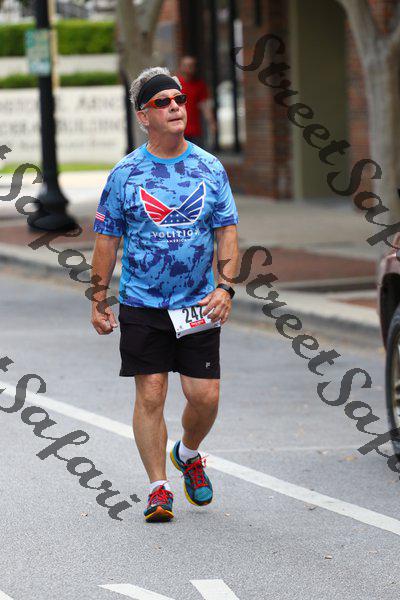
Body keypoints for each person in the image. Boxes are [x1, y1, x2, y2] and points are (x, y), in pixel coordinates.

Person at [91, 66, 239, 523]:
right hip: (143, 303)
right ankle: (159, 488)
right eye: (163, 102)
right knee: (151, 393)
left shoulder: (209, 167)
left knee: (205, 397)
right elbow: (107, 240)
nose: (175, 107)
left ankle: (187, 453)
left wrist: (225, 287)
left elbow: (227, 232)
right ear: (144, 116)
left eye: (179, 100)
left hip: (197, 302)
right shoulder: (126, 174)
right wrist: (99, 299)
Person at [176, 55, 216, 148]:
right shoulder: (175, 84)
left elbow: (205, 105)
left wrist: (211, 122)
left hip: (195, 130)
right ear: (180, 66)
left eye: (191, 65)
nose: (189, 68)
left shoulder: (200, 85)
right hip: (177, 129)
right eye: (186, 65)